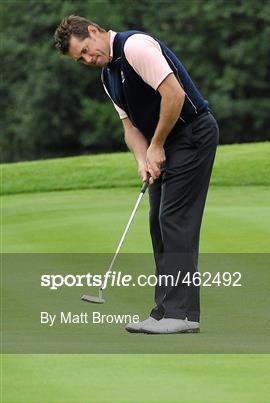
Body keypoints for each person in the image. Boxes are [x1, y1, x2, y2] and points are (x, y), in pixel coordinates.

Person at [54, 15, 218, 334]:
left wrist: (156, 145)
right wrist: (143, 158)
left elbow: (175, 95)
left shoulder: (135, 47)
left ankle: (183, 315)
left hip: (193, 133)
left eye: (87, 50)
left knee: (174, 219)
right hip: (167, 141)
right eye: (81, 59)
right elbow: (130, 128)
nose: (89, 59)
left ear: (93, 31)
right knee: (158, 220)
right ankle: (163, 311)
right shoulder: (108, 75)